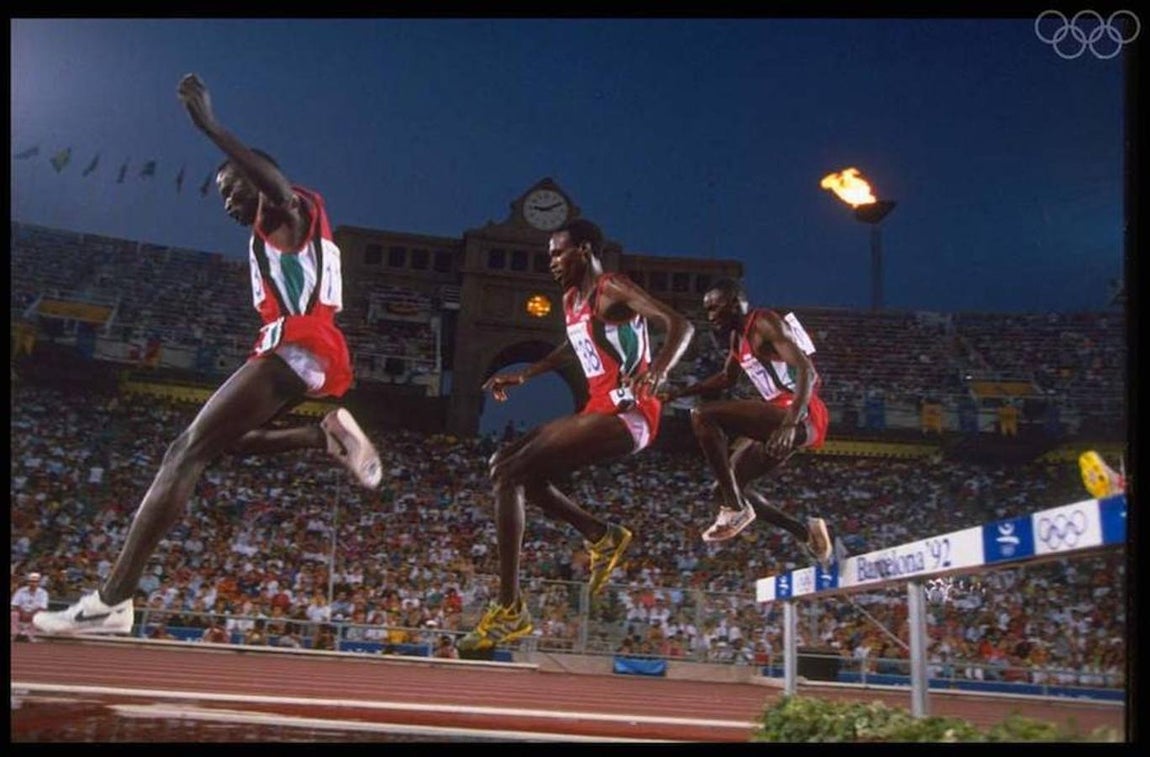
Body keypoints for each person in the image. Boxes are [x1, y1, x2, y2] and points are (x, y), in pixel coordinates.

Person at [34, 73, 382, 637]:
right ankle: (321, 437)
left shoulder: (283, 215)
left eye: (229, 188)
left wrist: (210, 127)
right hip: (303, 350)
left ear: (252, 179)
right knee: (225, 445)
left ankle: (112, 600)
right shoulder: (278, 230)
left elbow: (278, 188)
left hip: (299, 345)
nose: (224, 201)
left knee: (184, 452)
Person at [458, 218, 695, 652]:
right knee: (513, 472)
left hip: (631, 412)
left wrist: (659, 369)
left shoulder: (611, 289)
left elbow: (679, 324)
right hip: (598, 408)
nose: (550, 262)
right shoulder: (572, 299)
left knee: (507, 470)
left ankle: (510, 608)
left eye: (557, 252)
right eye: (549, 254)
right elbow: (573, 345)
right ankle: (602, 535)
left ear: (584, 250)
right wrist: (526, 374)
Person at [658, 277, 833, 562]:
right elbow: (727, 378)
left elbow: (807, 370)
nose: (710, 317)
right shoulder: (737, 339)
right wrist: (681, 391)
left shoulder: (763, 322)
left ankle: (736, 507)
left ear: (736, 304)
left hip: (800, 413)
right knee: (724, 489)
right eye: (707, 311)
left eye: (715, 309)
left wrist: (790, 422)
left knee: (703, 416)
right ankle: (807, 534)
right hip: (777, 419)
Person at [11, 572, 49, 642]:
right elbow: (14, 604)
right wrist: (23, 612)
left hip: (34, 612)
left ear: (38, 583)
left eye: (35, 582)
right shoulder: (21, 590)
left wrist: (30, 614)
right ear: (28, 582)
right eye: (31, 581)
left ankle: (29, 636)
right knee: (13, 614)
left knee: (38, 616)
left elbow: (43, 607)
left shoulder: (43, 593)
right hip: (21, 612)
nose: (33, 583)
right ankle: (15, 634)